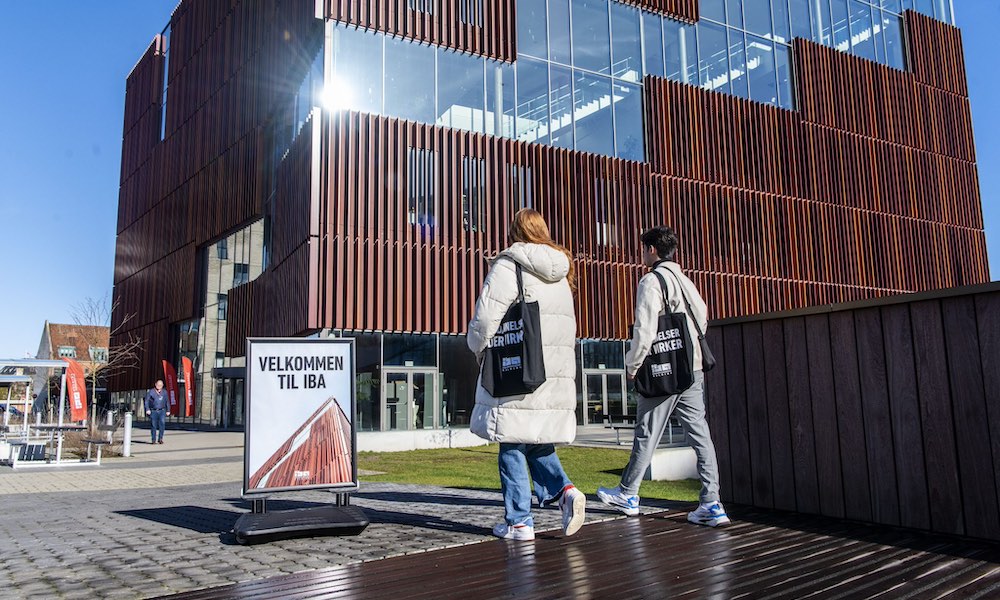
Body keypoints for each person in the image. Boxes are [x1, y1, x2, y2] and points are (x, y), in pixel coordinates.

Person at [597, 226, 730, 528]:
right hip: (691, 369)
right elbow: (702, 317)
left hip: (664, 371)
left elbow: (644, 329)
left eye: (643, 248)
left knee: (646, 432)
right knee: (701, 436)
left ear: (652, 250)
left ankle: (628, 494)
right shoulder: (685, 281)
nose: (642, 253)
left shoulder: (651, 281)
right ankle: (711, 502)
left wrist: (633, 365)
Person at [468, 208, 586, 541]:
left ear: (514, 232)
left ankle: (519, 521)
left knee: (511, 442)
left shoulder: (509, 264)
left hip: (517, 365)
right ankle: (564, 491)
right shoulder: (561, 271)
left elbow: (485, 318)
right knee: (533, 439)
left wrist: (476, 347)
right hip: (551, 372)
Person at [144, 379, 170, 444]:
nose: (159, 386)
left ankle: (160, 438)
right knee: (153, 425)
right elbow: (146, 401)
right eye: (158, 385)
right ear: (155, 384)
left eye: (160, 385)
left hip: (162, 410)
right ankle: (153, 439)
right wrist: (147, 409)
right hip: (153, 410)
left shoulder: (164, 392)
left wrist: (168, 410)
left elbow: (167, 401)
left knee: (162, 424)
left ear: (162, 385)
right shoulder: (151, 392)